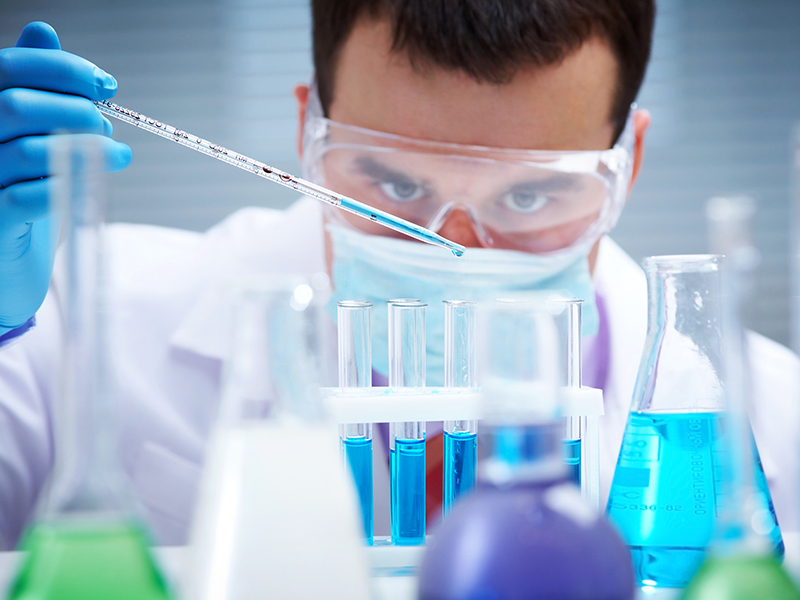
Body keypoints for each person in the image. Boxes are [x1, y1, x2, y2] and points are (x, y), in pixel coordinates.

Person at [0, 1, 797, 550]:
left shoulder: (775, 418)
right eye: (396, 185)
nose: (455, 250)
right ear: (308, 129)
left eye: (528, 193)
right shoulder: (72, 325)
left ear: (629, 164)